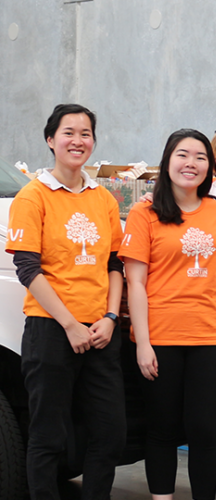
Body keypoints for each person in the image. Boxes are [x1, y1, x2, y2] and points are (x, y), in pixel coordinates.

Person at [6, 103, 125, 500]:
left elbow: (113, 265)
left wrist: (110, 316)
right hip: (51, 329)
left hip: (100, 332)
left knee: (109, 433)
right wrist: (69, 324)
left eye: (86, 133)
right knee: (48, 436)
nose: (78, 140)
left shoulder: (103, 199)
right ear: (50, 140)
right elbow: (27, 268)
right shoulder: (32, 196)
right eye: (69, 132)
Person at [120, 129, 216, 500]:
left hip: (210, 338)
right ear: (167, 162)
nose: (191, 163)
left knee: (203, 431)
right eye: (183, 155)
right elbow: (135, 283)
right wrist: (143, 343)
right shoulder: (144, 213)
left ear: (209, 167)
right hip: (160, 338)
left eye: (200, 157)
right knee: (162, 429)